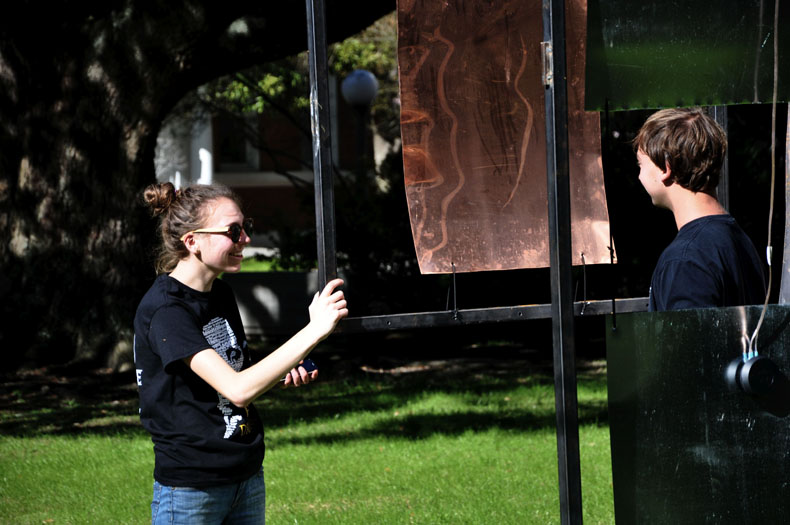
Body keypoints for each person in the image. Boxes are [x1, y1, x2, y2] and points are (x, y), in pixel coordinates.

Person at [133, 182, 348, 524]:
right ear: (192, 241)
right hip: (192, 490)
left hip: (245, 476)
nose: (245, 239)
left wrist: (281, 372)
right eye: (233, 231)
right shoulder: (167, 310)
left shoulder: (220, 294)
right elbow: (238, 389)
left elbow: (237, 376)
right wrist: (314, 329)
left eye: (245, 227)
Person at [633, 107, 766, 311]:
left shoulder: (685, 260)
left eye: (641, 164)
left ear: (666, 168)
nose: (639, 175)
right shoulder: (739, 240)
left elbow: (690, 334)